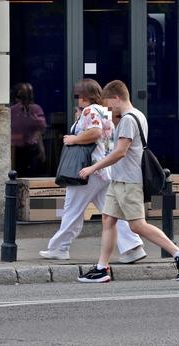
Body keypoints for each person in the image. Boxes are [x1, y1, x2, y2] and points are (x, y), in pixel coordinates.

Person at [76, 80, 179, 283]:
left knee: (137, 225)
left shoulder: (130, 119)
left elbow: (120, 152)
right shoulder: (134, 116)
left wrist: (93, 168)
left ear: (117, 98)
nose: (109, 110)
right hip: (119, 180)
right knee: (108, 219)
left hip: (129, 181)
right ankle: (102, 268)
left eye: (109, 106)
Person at [39, 79, 146, 263]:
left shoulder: (90, 111)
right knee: (111, 213)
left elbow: (95, 133)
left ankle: (59, 248)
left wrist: (73, 139)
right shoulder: (105, 112)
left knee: (72, 209)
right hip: (103, 170)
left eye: (78, 96)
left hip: (89, 170)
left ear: (84, 96)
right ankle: (133, 247)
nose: (77, 99)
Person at [10, 82, 47, 177]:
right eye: (22, 97)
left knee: (33, 175)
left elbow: (42, 127)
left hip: (32, 148)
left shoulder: (36, 109)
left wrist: (32, 116)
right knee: (18, 175)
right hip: (16, 149)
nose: (25, 100)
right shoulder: (13, 111)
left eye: (27, 97)